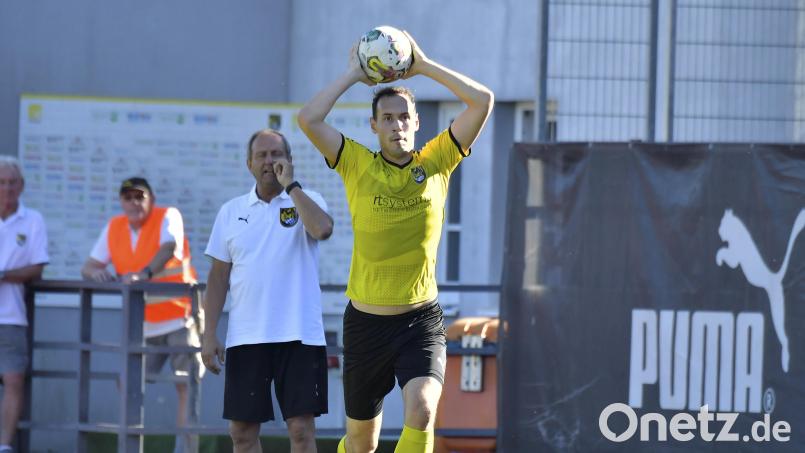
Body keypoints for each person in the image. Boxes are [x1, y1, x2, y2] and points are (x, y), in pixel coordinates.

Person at [297, 31, 494, 453]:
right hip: (365, 324)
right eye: (387, 118)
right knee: (361, 443)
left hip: (420, 321)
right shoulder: (356, 163)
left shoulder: (438, 160)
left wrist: (423, 66)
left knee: (422, 409)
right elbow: (309, 119)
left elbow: (482, 101)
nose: (397, 125)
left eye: (404, 117)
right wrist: (353, 74)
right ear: (374, 126)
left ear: (416, 122)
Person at [202, 129, 333, 453]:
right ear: (249, 163)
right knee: (242, 433)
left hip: (300, 335)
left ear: (289, 160)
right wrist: (208, 334)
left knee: (301, 430)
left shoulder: (308, 199)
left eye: (276, 154)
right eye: (261, 155)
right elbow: (218, 278)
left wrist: (292, 186)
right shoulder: (230, 211)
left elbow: (322, 229)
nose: (269, 161)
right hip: (247, 337)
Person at [80, 177, 202, 453]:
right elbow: (88, 266)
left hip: (180, 317)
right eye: (128, 197)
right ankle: (130, 447)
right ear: (121, 202)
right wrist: (96, 273)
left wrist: (144, 274)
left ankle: (185, 451)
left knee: (187, 385)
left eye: (140, 196)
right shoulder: (115, 226)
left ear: (151, 200)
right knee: (127, 383)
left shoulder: (168, 215)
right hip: (143, 324)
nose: (134, 202)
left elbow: (168, 247)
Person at [0, 156, 49, 453]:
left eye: (12, 182)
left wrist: (4, 275)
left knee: (14, 379)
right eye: (1, 183)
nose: (6, 188)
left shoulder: (33, 220)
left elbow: (38, 267)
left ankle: (4, 445)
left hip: (11, 315)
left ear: (22, 186)